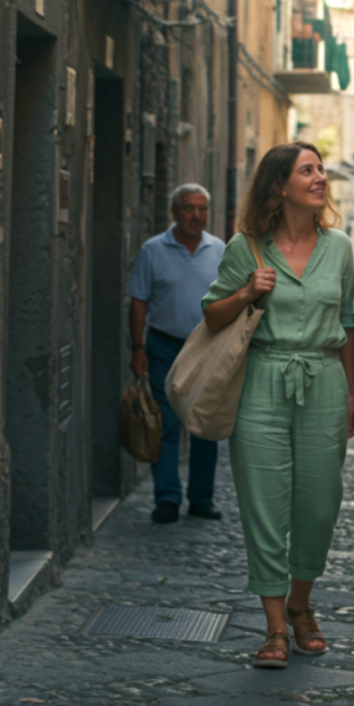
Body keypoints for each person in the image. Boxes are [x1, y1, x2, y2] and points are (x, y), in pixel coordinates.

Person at [200, 141, 354, 669]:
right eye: (307, 171)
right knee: (265, 505)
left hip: (323, 379)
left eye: (320, 170)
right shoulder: (245, 247)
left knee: (319, 505)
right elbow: (212, 317)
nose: (320, 178)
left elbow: (348, 326)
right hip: (262, 380)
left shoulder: (338, 246)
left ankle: (301, 602)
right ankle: (274, 626)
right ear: (279, 185)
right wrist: (248, 292)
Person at [128, 183, 226, 524]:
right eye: (189, 208)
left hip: (207, 349)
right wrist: (137, 347)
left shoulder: (220, 250)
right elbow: (138, 301)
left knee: (203, 426)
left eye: (202, 209)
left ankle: (201, 498)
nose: (196, 215)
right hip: (164, 347)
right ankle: (167, 498)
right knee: (167, 424)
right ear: (174, 212)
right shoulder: (153, 250)